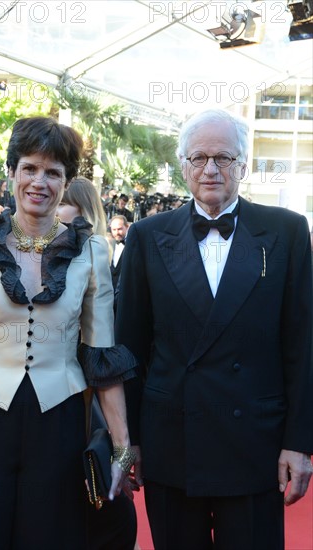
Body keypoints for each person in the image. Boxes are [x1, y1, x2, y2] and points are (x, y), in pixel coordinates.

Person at [115, 108, 313, 550]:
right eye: (198, 157)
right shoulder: (147, 236)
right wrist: (129, 442)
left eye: (223, 158)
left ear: (244, 165)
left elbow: (303, 346)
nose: (210, 169)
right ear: (182, 165)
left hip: (255, 445)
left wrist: (299, 443)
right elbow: (129, 346)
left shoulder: (287, 231)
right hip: (171, 442)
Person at [0, 116, 137, 550]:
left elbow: (102, 357)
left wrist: (122, 450)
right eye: (30, 168)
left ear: (66, 181)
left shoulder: (91, 251)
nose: (40, 182)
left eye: (53, 172)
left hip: (60, 424)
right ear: (11, 172)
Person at [57, 176, 139, 550]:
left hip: (87, 385)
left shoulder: (93, 250)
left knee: (97, 490)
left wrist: (123, 444)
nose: (53, 206)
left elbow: (100, 338)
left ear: (81, 207)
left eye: (62, 201)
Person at [109, 215, 129, 292]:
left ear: (127, 227)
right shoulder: (107, 245)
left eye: (120, 229)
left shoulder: (133, 245)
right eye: (114, 230)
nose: (117, 232)